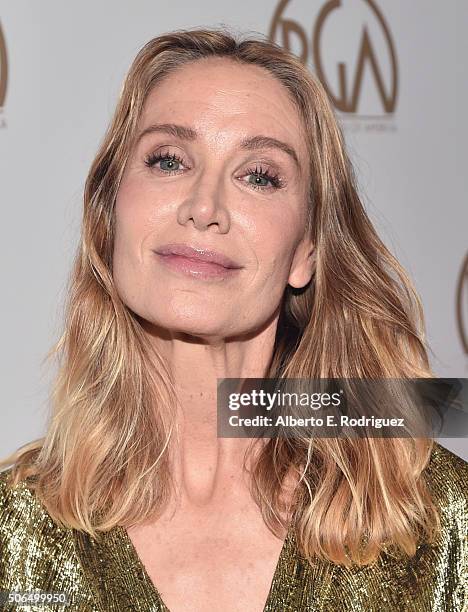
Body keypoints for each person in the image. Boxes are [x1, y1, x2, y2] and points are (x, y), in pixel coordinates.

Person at [0, 27, 466, 612]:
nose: (204, 207)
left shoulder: (438, 522)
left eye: (260, 176)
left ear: (306, 251)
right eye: (169, 160)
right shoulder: (11, 532)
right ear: (109, 215)